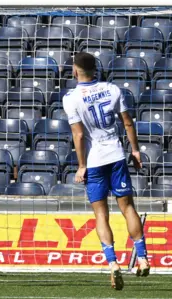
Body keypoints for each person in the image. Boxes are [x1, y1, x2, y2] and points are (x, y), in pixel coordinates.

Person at [63, 52, 150, 290]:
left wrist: (81, 165)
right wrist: (135, 150)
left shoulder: (71, 98)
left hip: (94, 160)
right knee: (128, 207)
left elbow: (78, 134)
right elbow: (128, 122)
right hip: (116, 155)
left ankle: (113, 264)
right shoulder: (112, 89)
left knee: (101, 214)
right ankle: (142, 258)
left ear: (75, 70)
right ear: (96, 69)